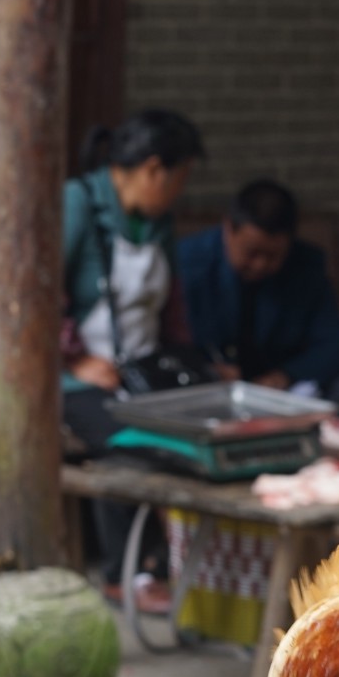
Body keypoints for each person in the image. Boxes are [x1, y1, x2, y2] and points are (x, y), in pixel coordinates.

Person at [62, 108, 206, 610]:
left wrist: (195, 368)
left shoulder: (156, 221)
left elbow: (172, 309)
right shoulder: (77, 205)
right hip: (73, 381)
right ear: (152, 170)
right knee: (128, 442)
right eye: (180, 178)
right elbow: (36, 296)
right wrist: (74, 360)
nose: (178, 192)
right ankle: (128, 572)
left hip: (143, 372)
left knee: (199, 426)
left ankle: (191, 565)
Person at [177, 180, 339, 418]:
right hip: (210, 386)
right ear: (228, 229)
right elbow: (168, 342)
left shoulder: (307, 266)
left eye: (272, 256)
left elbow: (335, 346)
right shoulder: (188, 263)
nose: (260, 264)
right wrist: (207, 371)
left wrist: (284, 376)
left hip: (283, 388)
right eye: (251, 253)